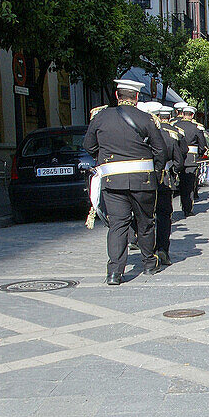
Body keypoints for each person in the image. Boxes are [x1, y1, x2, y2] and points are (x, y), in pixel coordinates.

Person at [84, 79, 169, 285]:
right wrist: (156, 170)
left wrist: (105, 157)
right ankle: (149, 263)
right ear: (137, 97)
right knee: (146, 223)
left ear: (116, 95)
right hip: (143, 181)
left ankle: (114, 272)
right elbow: (161, 151)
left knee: (118, 226)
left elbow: (88, 145)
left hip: (113, 181)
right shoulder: (146, 119)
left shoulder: (101, 117)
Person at [144, 102, 186, 266]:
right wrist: (173, 172)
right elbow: (179, 161)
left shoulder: (139, 133)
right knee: (163, 217)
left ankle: (147, 253)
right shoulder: (170, 135)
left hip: (144, 180)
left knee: (144, 217)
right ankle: (162, 250)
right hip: (164, 179)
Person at [172, 105, 208, 217]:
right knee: (188, 185)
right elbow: (202, 145)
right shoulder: (196, 128)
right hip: (191, 159)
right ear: (192, 115)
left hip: (176, 158)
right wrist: (199, 155)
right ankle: (187, 208)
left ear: (182, 114)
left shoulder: (175, 126)